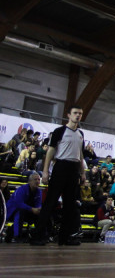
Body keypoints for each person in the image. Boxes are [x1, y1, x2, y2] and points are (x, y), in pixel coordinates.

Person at [30, 105, 88, 246]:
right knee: (50, 202)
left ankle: (65, 237)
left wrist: (82, 172)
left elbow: (80, 154)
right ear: (68, 115)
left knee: (70, 205)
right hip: (60, 166)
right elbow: (50, 152)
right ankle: (37, 236)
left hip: (73, 169)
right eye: (75, 113)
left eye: (80, 113)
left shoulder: (81, 134)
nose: (78, 116)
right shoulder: (59, 131)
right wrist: (45, 171)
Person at [4, 173, 42, 243]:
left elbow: (38, 204)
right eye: (35, 179)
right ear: (29, 181)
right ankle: (17, 236)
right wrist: (32, 209)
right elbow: (19, 203)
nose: (37, 181)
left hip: (26, 210)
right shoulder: (21, 189)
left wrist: (38, 209)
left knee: (41, 214)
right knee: (20, 212)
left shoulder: (38, 191)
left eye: (39, 180)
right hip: (12, 211)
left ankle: (39, 236)